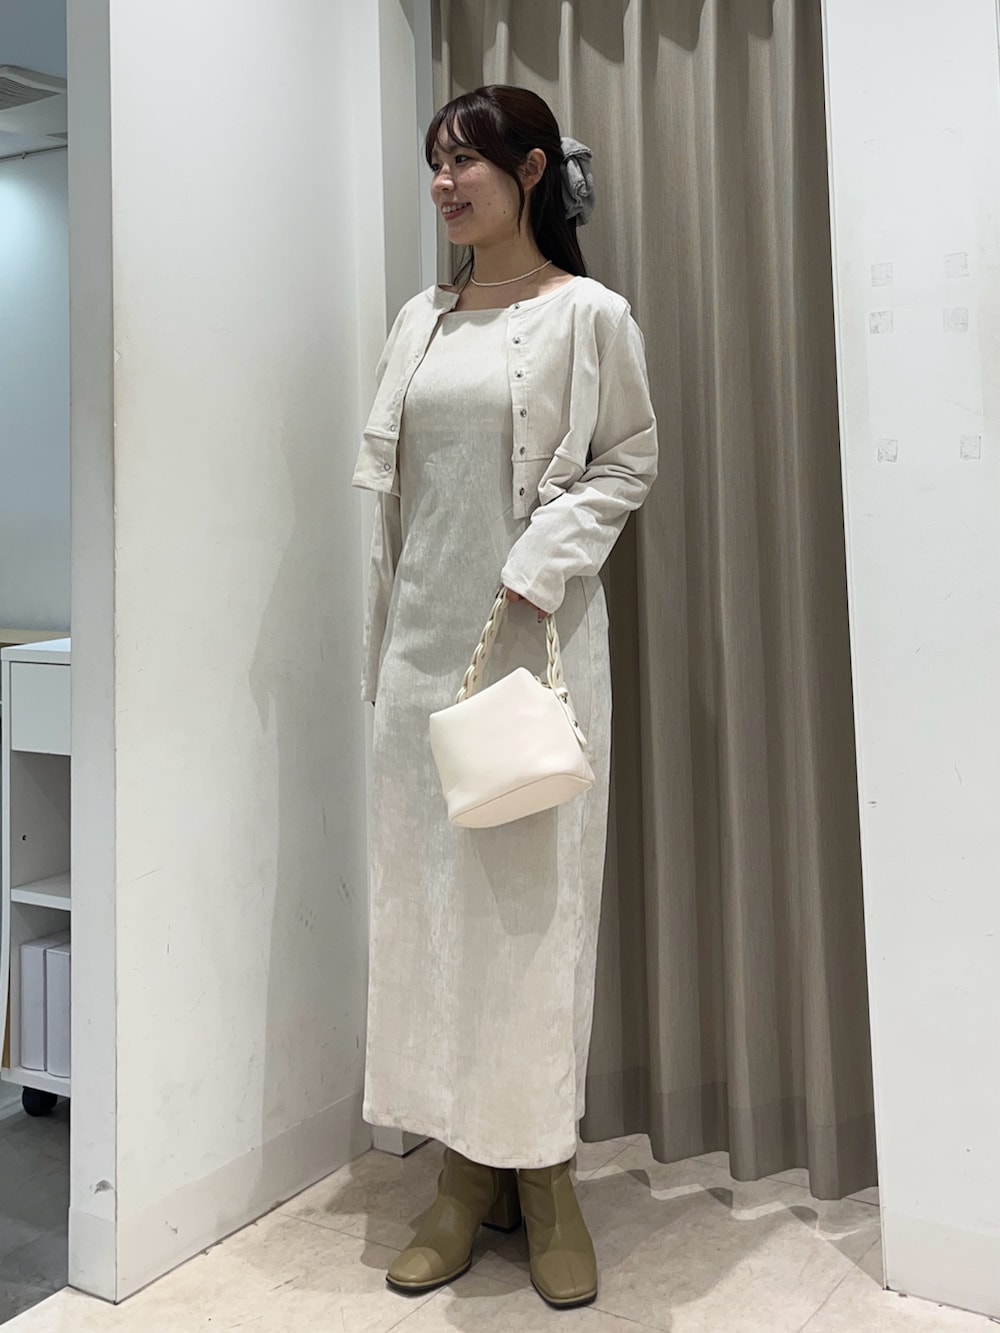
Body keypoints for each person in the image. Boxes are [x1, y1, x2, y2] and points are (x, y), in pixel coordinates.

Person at [352, 84, 658, 1310]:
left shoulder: (589, 315)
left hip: (533, 649)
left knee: (530, 915)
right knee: (429, 917)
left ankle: (545, 1178)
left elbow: (627, 459)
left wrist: (540, 564)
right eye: (432, 162)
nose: (442, 183)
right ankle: (461, 1175)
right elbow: (393, 500)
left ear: (529, 172)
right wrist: (385, 647)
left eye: (463, 161)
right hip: (418, 659)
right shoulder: (417, 321)